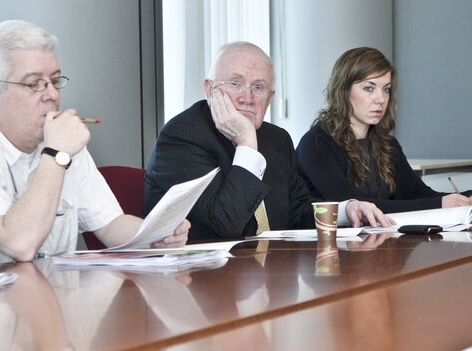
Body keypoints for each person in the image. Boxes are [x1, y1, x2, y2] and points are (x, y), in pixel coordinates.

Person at [0, 20, 189, 274]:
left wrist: (158, 235)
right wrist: (56, 155)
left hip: (25, 307)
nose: (52, 95)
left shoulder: (58, 139)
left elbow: (111, 226)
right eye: (34, 84)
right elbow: (19, 245)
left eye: (54, 80)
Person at [143, 42, 393, 241]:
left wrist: (346, 210)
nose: (247, 97)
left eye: (258, 87)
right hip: (203, 286)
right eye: (235, 83)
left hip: (270, 277)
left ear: (270, 97)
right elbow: (226, 224)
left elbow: (297, 212)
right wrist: (246, 145)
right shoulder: (182, 136)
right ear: (210, 90)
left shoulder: (276, 139)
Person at [295, 47, 472, 213]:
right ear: (343, 91)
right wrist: (440, 204)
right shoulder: (317, 144)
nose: (381, 99)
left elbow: (417, 194)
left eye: (386, 89)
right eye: (369, 88)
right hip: (331, 250)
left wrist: (467, 197)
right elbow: (353, 204)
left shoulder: (387, 144)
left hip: (380, 245)